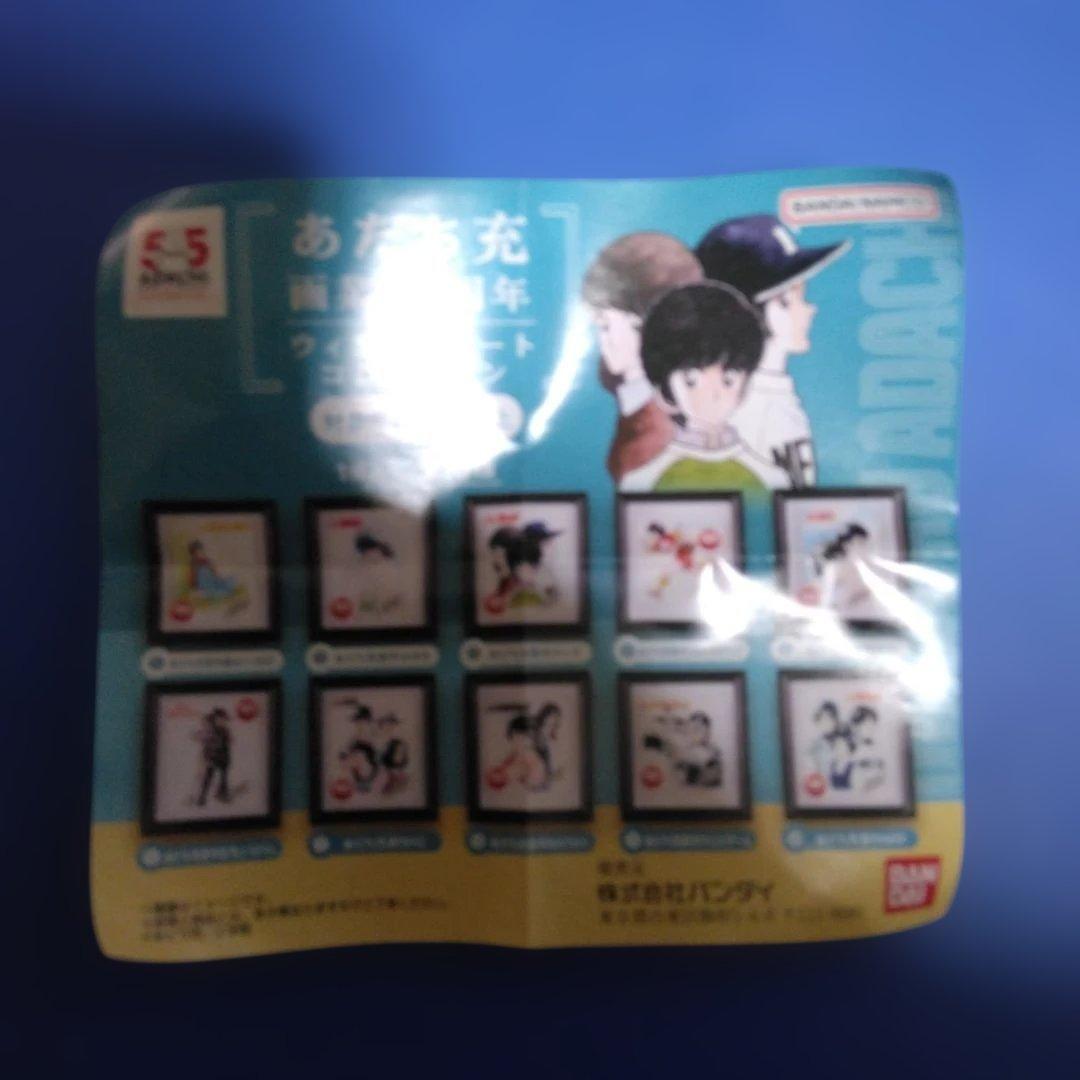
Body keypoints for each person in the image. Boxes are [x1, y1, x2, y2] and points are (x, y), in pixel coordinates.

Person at [695, 215, 850, 487]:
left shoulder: (769, 391)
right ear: (748, 313)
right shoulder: (745, 406)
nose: (809, 310)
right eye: (789, 300)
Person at [619, 282, 788, 492]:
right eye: (691, 380)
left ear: (745, 384)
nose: (712, 394)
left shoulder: (771, 478)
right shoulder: (643, 482)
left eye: (728, 379)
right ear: (666, 388)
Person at [581, 232, 704, 480]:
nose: (602, 339)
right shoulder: (639, 404)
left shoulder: (656, 429)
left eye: (605, 325)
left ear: (642, 325)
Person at [195, 708, 231, 806]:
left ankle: (222, 794)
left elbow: (227, 744)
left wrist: (227, 758)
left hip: (223, 758)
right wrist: (206, 757)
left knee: (223, 778)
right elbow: (205, 741)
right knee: (208, 777)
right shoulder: (211, 730)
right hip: (213, 757)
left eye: (223, 719)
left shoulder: (224, 730)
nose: (223, 721)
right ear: (215, 718)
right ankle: (202, 797)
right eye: (220, 719)